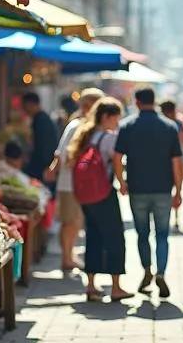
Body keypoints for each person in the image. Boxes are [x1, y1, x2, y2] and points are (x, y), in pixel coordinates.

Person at [114, 87, 183, 297]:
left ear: (137, 102)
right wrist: (178, 190)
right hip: (163, 189)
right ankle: (161, 272)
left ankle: (146, 270)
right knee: (162, 235)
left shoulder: (127, 126)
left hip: (137, 188)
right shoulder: (169, 126)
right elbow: (176, 162)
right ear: (154, 102)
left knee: (142, 234)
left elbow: (117, 157)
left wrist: (121, 181)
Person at [68, 98, 132, 302]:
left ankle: (91, 286)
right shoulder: (108, 137)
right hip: (103, 193)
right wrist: (122, 182)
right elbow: (116, 160)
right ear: (106, 117)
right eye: (116, 117)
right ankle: (115, 287)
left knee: (93, 237)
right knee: (114, 238)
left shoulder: (86, 134)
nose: (118, 122)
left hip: (85, 195)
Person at [46, 88, 105, 272]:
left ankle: (69, 256)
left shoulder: (87, 126)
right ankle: (66, 258)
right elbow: (63, 154)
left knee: (76, 221)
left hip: (78, 183)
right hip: (70, 182)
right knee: (71, 221)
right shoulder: (77, 125)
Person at [160, 100, 183, 232]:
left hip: (172, 160)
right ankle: (171, 218)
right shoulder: (176, 123)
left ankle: (175, 218)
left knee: (176, 189)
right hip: (176, 160)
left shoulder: (172, 123)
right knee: (174, 188)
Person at [22, 92, 59, 183]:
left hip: (42, 165)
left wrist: (45, 167)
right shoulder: (41, 118)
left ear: (30, 104)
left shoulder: (41, 120)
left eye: (25, 106)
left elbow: (45, 145)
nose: (24, 110)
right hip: (43, 163)